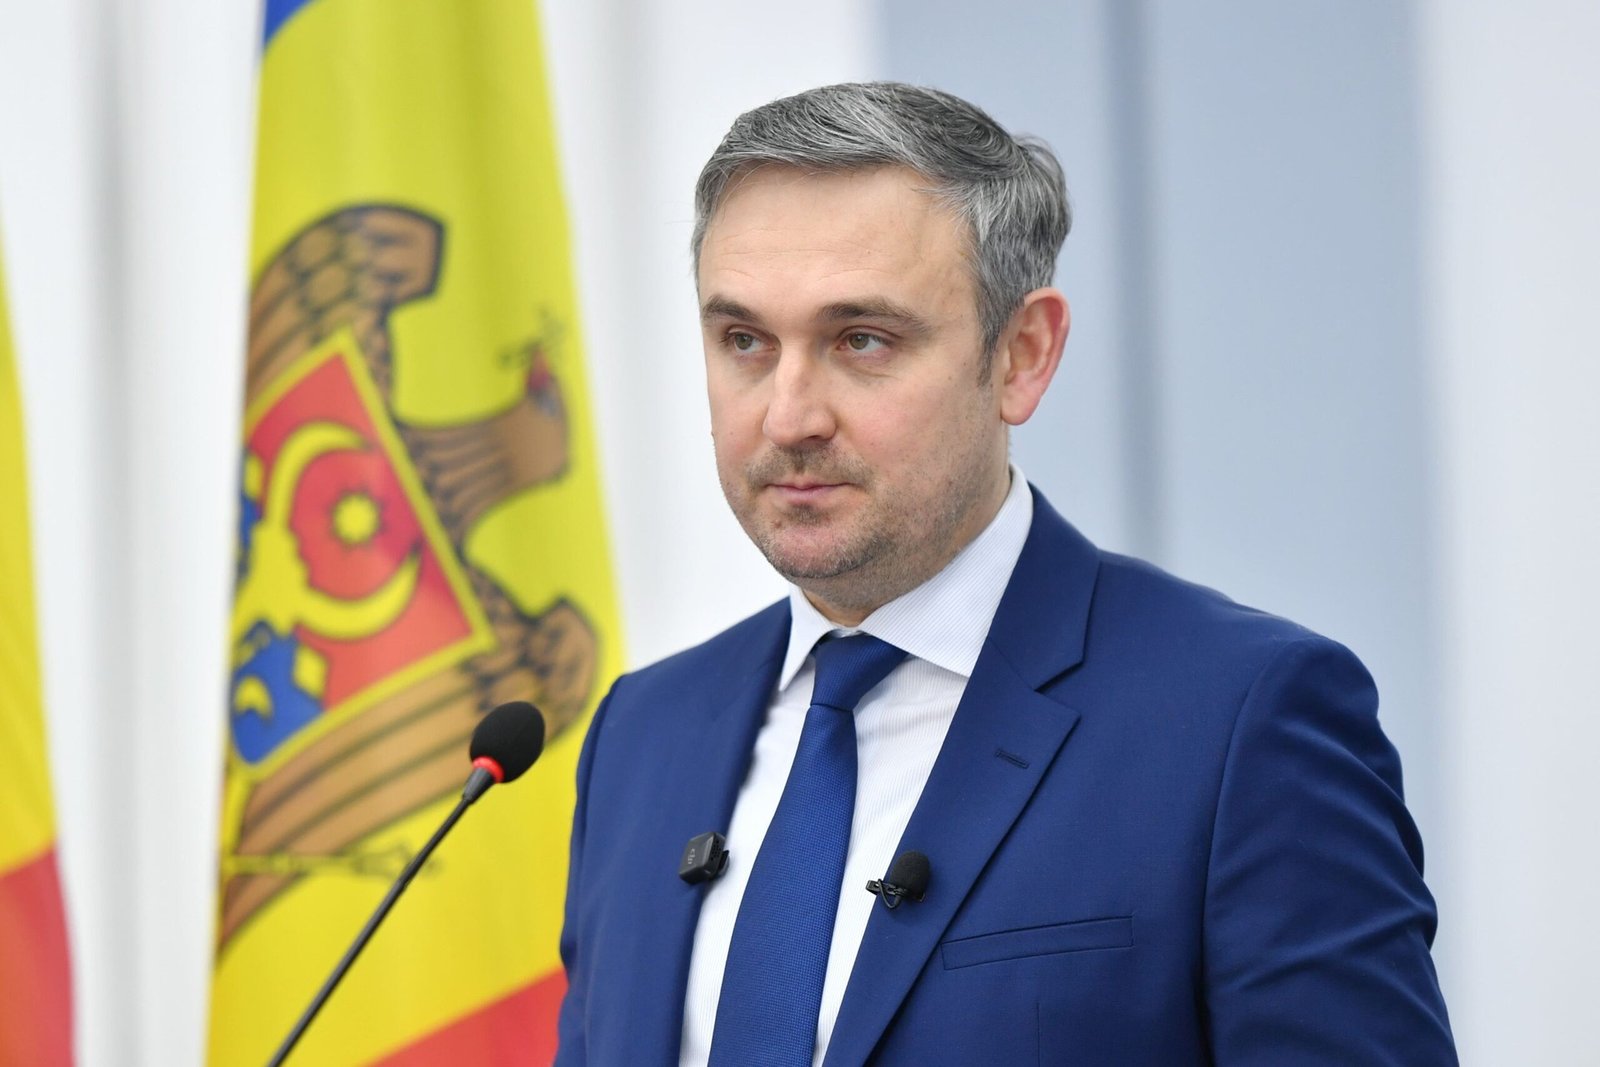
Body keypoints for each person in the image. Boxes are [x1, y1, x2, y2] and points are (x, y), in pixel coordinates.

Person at [554, 82, 1454, 1066]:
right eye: (744, 342)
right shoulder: (640, 735)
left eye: (862, 340)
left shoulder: (1240, 721)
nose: (788, 415)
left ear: (1021, 355)